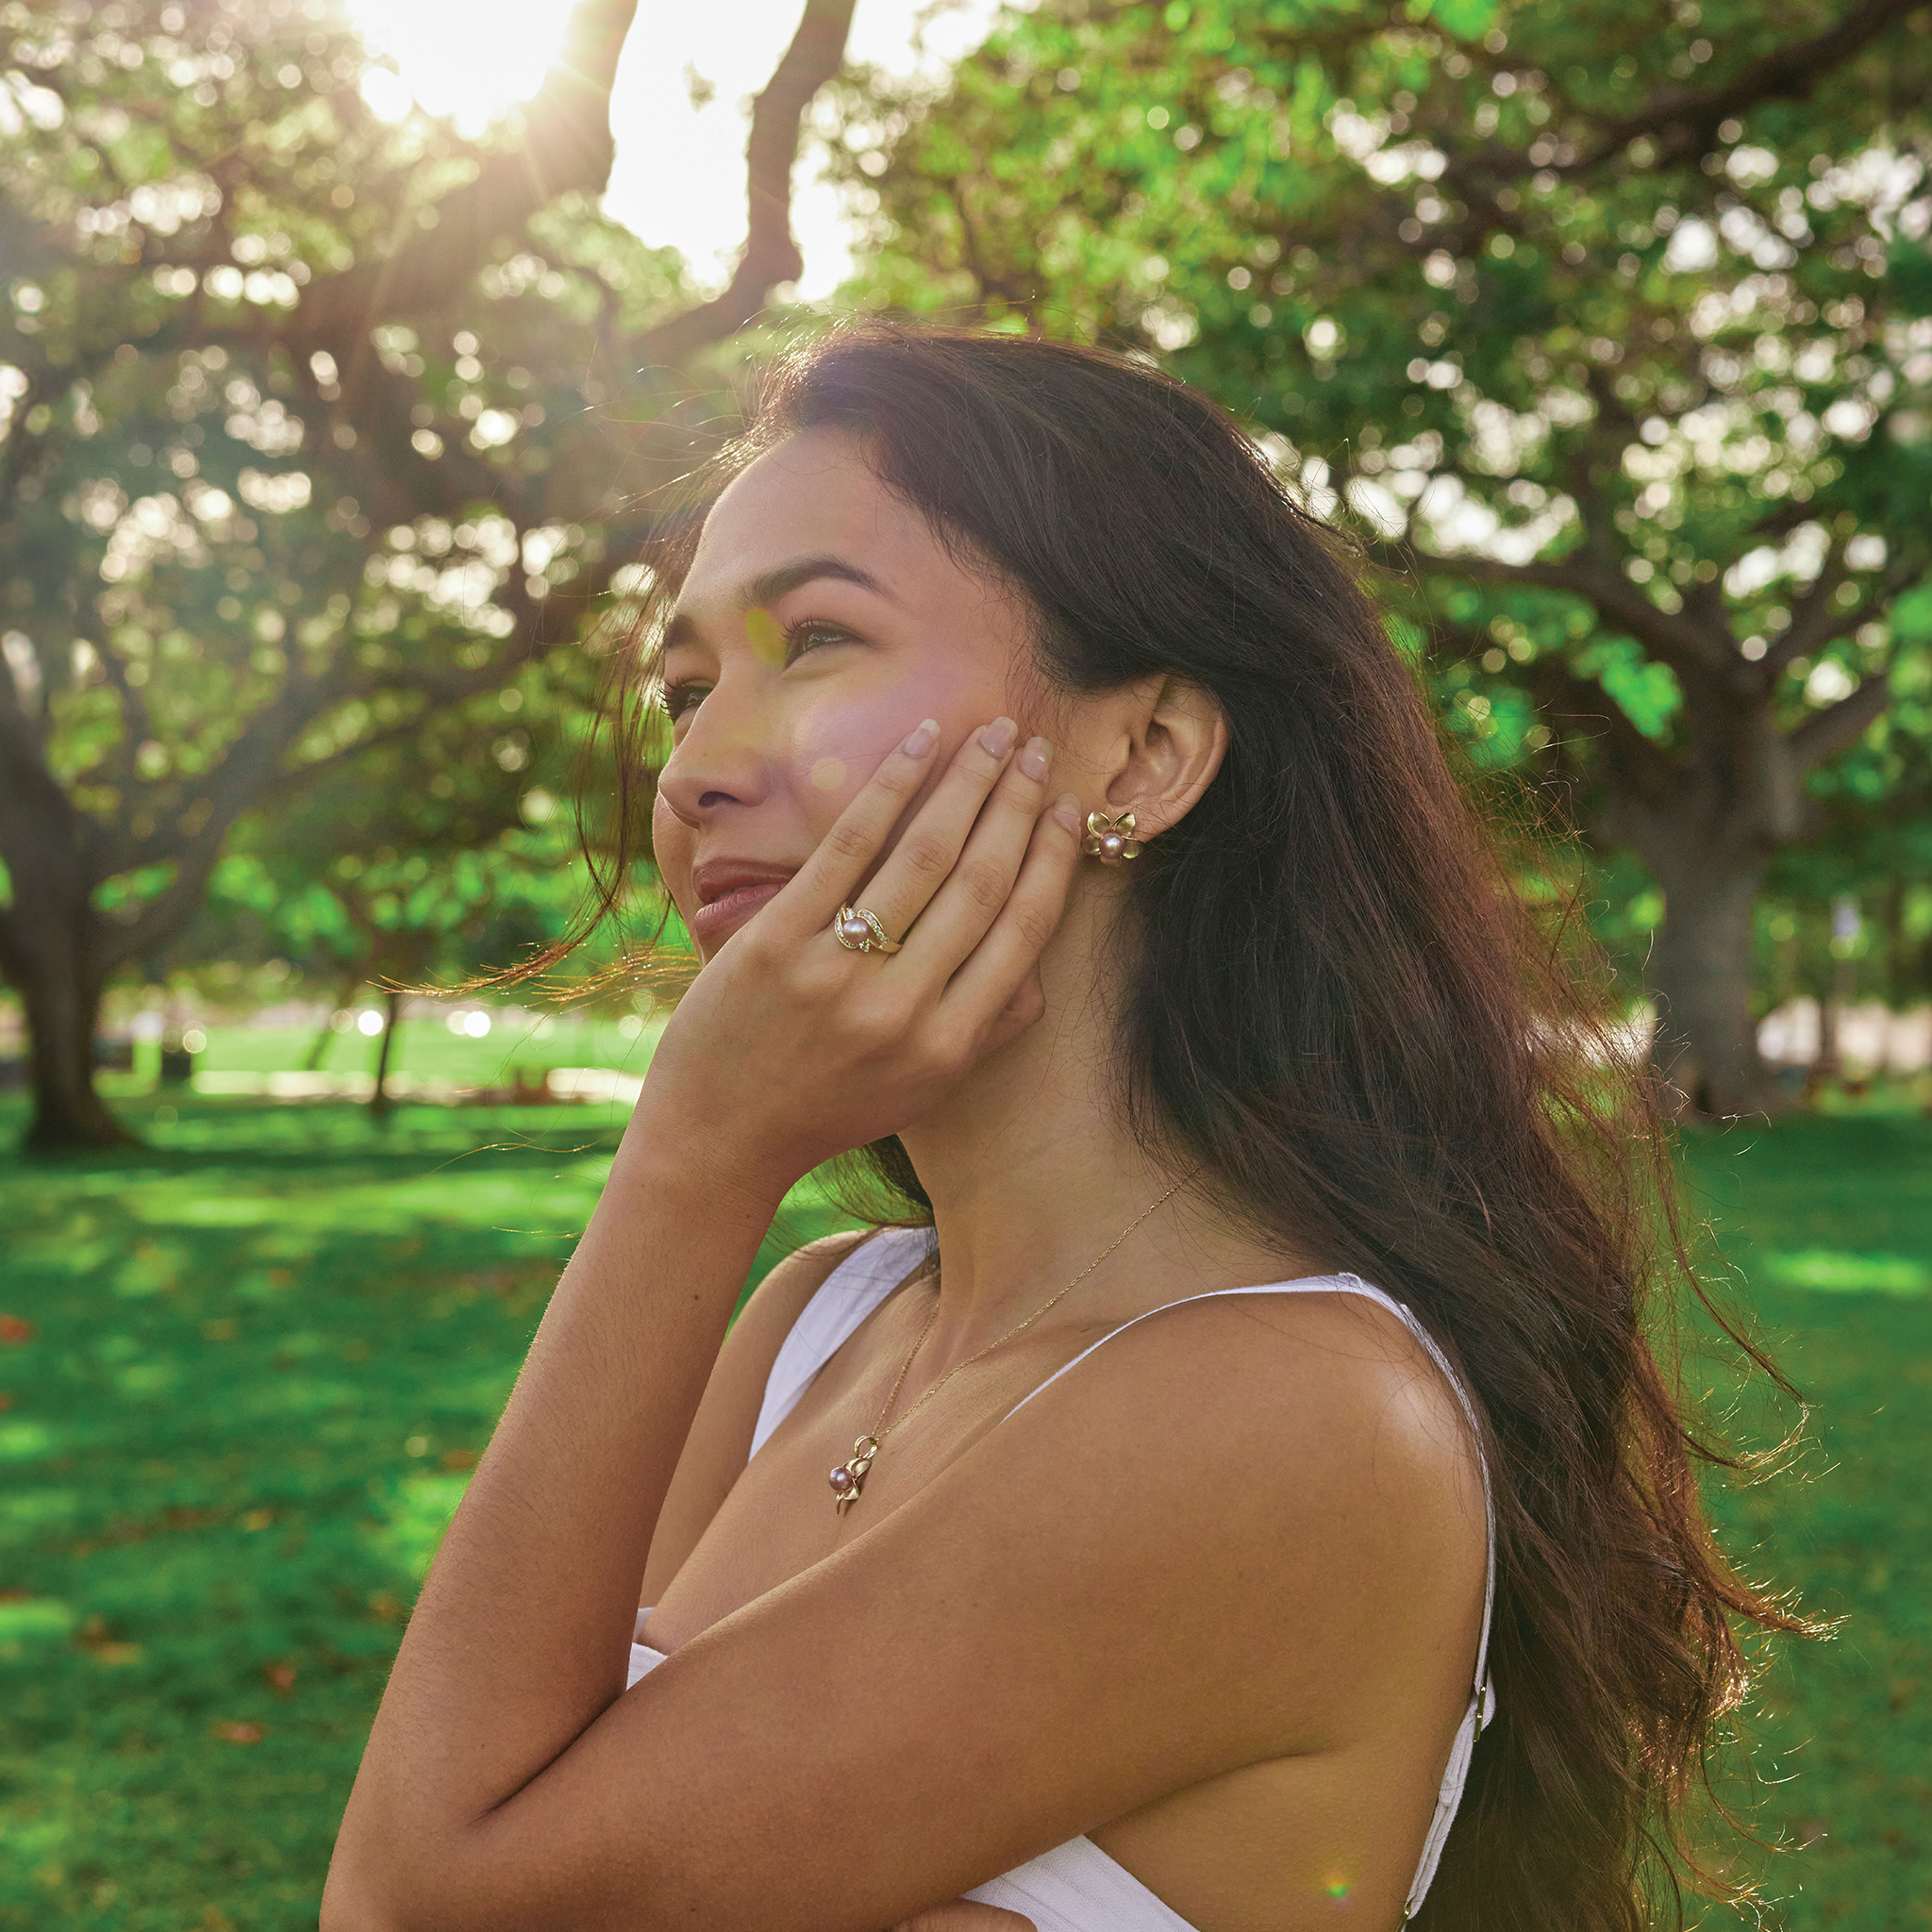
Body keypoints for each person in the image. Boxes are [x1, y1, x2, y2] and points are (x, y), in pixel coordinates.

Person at [323, 324, 1805, 1932]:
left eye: (815, 639)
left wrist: (693, 1157)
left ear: (1146, 753)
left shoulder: (1284, 1417)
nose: (693, 773)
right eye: (684, 690)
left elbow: (426, 1904)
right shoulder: (818, 1325)